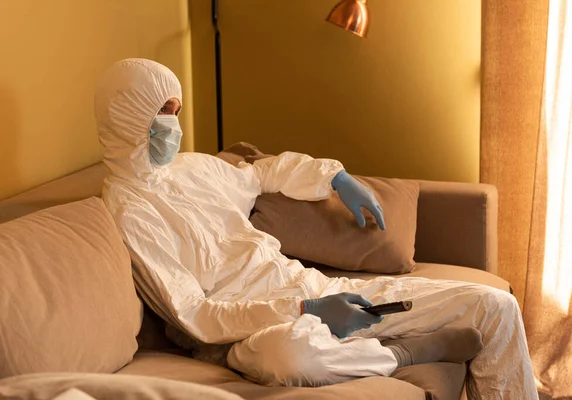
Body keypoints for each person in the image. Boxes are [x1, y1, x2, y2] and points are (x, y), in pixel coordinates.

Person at [95, 58, 538, 399]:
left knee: (494, 306)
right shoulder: (129, 212)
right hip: (255, 330)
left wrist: (335, 178)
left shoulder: (193, 169)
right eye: (164, 112)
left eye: (177, 109)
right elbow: (198, 317)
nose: (175, 123)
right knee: (291, 356)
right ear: (129, 116)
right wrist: (305, 312)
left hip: (315, 288)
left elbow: (262, 174)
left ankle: (381, 345)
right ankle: (402, 353)